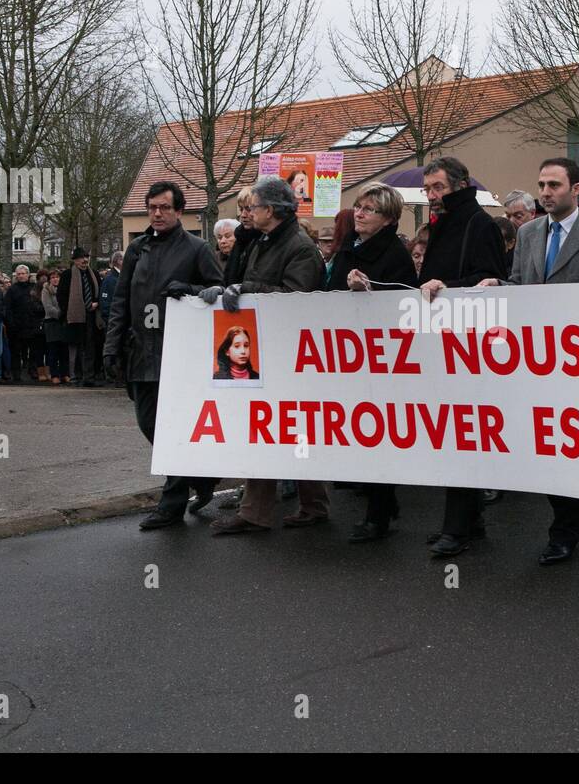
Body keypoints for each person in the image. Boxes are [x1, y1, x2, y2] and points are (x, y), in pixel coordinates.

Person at [479, 158, 579, 564]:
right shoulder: (526, 233)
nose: (545, 192)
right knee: (543, 448)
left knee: (567, 448)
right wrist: (498, 285)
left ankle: (565, 532)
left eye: (554, 185)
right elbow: (524, 286)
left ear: (575, 189)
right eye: (541, 184)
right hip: (536, 360)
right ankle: (573, 510)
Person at [198, 175, 328, 535]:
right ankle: (283, 508)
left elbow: (296, 298)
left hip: (290, 353)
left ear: (270, 210)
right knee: (271, 431)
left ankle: (284, 509)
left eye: (253, 206)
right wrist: (224, 289)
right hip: (267, 349)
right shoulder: (265, 241)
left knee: (284, 432)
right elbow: (246, 284)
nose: (248, 212)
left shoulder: (299, 247)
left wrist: (247, 288)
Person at [104, 179, 224, 530]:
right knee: (149, 423)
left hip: (180, 354)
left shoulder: (197, 248)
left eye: (164, 208)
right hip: (140, 350)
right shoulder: (137, 249)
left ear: (179, 211)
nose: (157, 213)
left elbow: (220, 289)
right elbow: (122, 302)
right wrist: (111, 347)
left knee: (170, 427)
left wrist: (190, 289)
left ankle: (171, 503)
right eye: (152, 207)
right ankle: (199, 478)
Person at [419, 156, 508, 557]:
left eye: (438, 188)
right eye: (429, 189)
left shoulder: (479, 223)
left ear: (459, 184)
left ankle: (458, 526)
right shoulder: (444, 223)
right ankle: (466, 522)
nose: (432, 196)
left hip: (469, 343)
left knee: (462, 436)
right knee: (453, 436)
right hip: (444, 338)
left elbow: (488, 278)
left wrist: (447, 286)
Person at [328, 182, 419, 542]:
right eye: (359, 207)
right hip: (347, 354)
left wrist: (371, 292)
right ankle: (384, 501)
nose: (360, 214)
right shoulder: (349, 248)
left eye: (369, 209)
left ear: (388, 219)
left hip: (382, 359)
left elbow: (404, 303)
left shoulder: (395, 254)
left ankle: (379, 515)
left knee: (378, 438)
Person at [57, 248, 101, 387]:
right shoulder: (68, 275)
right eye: (82, 257)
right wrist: (71, 310)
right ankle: (76, 376)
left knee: (90, 347)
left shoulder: (93, 274)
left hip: (92, 316)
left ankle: (89, 376)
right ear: (75, 260)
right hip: (74, 317)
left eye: (87, 257)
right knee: (76, 347)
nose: (85, 260)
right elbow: (61, 296)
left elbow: (99, 291)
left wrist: (96, 303)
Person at [3, 264, 44, 382]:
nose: (21, 276)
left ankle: (33, 370)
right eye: (19, 274)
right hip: (16, 327)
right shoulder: (12, 290)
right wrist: (11, 323)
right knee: (16, 352)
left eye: (23, 273)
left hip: (32, 325)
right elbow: (8, 308)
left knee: (33, 351)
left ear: (28, 274)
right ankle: (16, 373)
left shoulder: (34, 288)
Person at [98, 252, 122, 383]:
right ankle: (112, 375)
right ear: (118, 261)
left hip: (118, 319)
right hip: (113, 320)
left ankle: (119, 375)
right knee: (112, 348)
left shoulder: (120, 277)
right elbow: (105, 302)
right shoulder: (110, 279)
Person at [41, 271, 70, 384]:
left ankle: (65, 374)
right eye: (52, 277)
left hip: (63, 322)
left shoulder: (65, 289)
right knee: (53, 351)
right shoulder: (46, 290)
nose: (55, 279)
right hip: (52, 322)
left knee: (64, 351)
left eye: (57, 277)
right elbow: (48, 307)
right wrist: (60, 314)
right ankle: (54, 375)